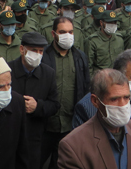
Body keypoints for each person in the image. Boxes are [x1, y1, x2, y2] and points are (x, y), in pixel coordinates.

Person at [58, 69, 131, 169]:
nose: (123, 105)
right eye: (114, 99)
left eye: (126, 97)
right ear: (95, 101)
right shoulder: (73, 146)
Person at [41, 17, 90, 169]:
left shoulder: (80, 57)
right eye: (62, 32)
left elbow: (85, 87)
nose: (67, 36)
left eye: (70, 32)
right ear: (53, 34)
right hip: (46, 124)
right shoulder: (43, 56)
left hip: (70, 124)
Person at [9, 32, 60, 168]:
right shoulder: (8, 70)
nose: (37, 54)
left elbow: (54, 105)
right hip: (10, 135)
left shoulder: (48, 73)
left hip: (34, 137)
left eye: (40, 51)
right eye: (33, 50)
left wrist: (37, 107)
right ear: (22, 49)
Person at [86, 10, 125, 76]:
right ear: (101, 23)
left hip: (117, 76)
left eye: (115, 22)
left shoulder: (119, 39)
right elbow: (88, 66)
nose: (112, 25)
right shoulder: (92, 41)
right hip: (100, 77)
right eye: (109, 22)